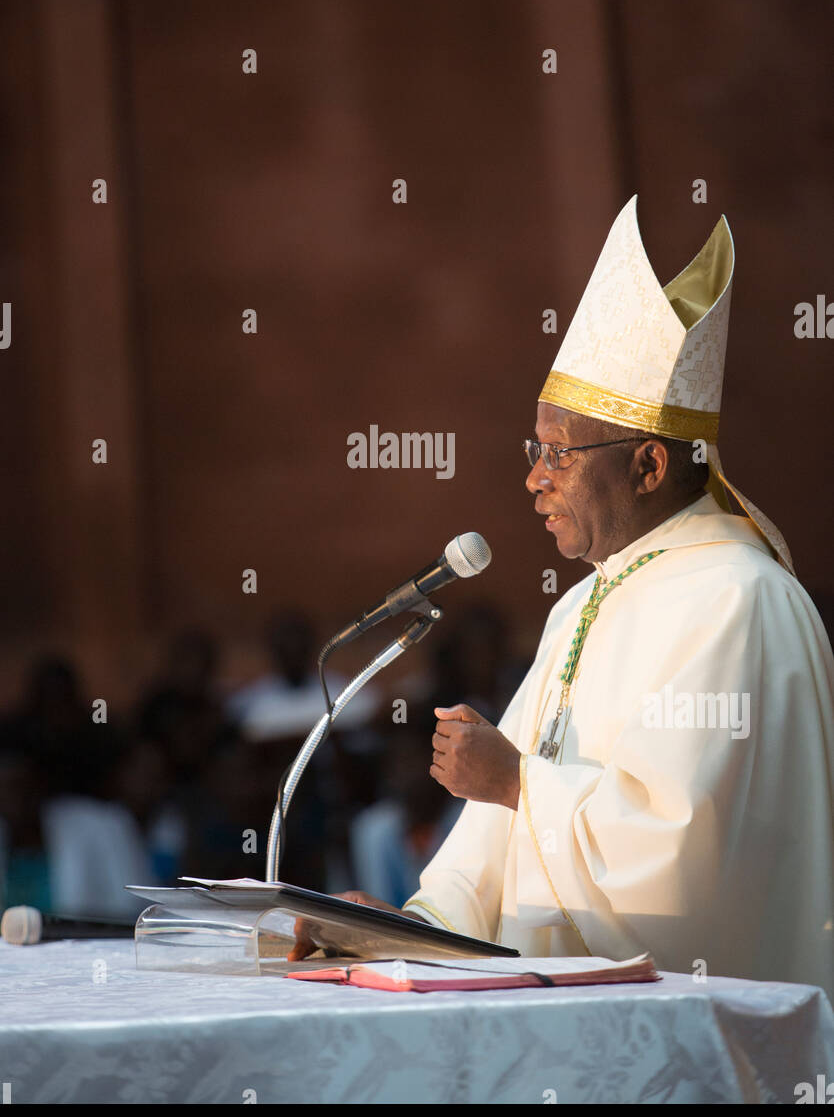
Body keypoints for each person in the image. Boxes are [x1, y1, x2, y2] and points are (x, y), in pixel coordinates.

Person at [290, 196, 834, 1001]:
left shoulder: (739, 600)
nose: (533, 480)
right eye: (533, 450)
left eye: (558, 454)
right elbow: (497, 843)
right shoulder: (579, 606)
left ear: (649, 466)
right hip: (558, 1022)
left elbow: (684, 863)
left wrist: (518, 783)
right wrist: (409, 929)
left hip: (690, 1041)